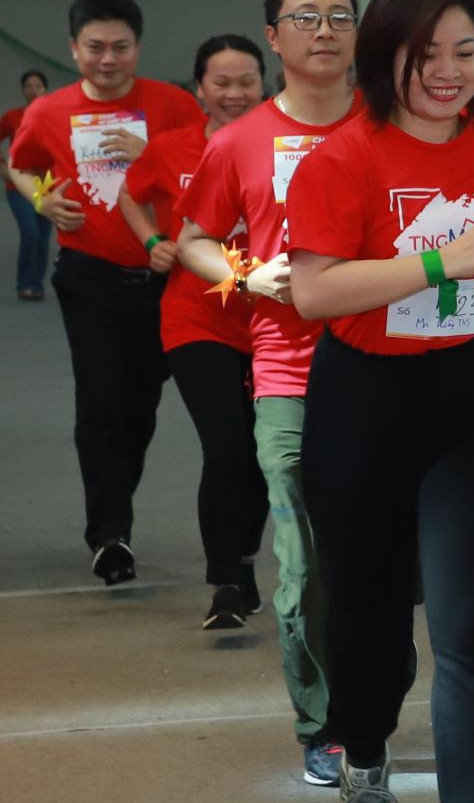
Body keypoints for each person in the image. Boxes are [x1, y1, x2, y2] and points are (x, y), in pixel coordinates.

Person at [286, 0, 474, 803]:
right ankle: (365, 741)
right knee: (368, 618)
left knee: (471, 631)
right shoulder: (343, 158)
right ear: (386, 55)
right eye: (426, 53)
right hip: (364, 403)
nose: (448, 72)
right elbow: (315, 291)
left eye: (466, 51)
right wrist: (440, 261)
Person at [177, 0, 365, 786]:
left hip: (389, 368)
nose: (324, 30)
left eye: (340, 16)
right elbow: (193, 238)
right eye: (306, 17)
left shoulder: (394, 127)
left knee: (384, 562)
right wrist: (246, 275)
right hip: (288, 372)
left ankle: (371, 700)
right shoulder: (238, 141)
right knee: (305, 563)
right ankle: (324, 723)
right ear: (274, 36)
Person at [9, 0, 205, 586]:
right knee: (100, 402)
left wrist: (154, 155)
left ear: (137, 48)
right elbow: (19, 163)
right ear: (73, 48)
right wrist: (42, 199)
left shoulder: (173, 105)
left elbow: (207, 167)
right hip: (88, 275)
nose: (108, 59)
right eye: (95, 47)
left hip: (161, 277)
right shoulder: (48, 111)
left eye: (121, 47)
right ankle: (110, 534)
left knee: (138, 408)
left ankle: (114, 506)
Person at [120, 35, 268, 629]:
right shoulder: (172, 148)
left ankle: (246, 559)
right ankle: (225, 581)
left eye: (246, 81)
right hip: (196, 318)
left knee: (264, 452)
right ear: (199, 88)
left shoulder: (283, 145)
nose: (234, 93)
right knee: (226, 447)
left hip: (275, 320)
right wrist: (154, 241)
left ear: (264, 83)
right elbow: (131, 194)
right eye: (221, 83)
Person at [2, 69, 51, 299]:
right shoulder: (12, 117)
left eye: (38, 86)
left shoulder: (54, 115)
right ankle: (24, 283)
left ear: (45, 89)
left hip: (47, 186)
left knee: (42, 238)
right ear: (23, 90)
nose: (33, 90)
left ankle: (36, 285)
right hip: (18, 186)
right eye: (29, 86)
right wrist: (3, 168)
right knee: (30, 233)